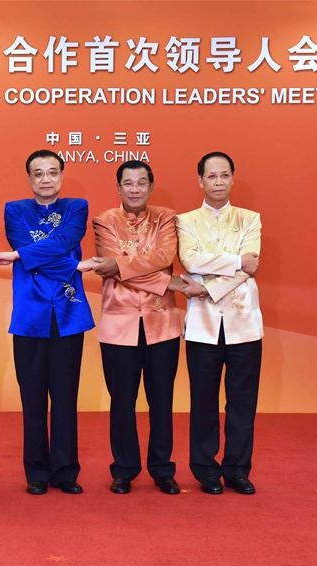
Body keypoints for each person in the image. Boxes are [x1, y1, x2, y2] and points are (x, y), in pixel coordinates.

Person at [0, 149, 95, 495]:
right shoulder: (15, 210)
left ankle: (65, 471)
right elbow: (31, 249)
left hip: (69, 314)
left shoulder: (76, 208)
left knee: (65, 397)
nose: (46, 179)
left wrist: (23, 257)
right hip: (31, 316)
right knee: (33, 397)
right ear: (29, 179)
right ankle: (36, 472)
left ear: (62, 176)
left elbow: (66, 241)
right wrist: (72, 266)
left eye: (53, 172)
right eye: (39, 173)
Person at [91, 160, 192, 495]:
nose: (135, 189)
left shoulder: (166, 217)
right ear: (118, 187)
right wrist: (169, 284)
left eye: (141, 183)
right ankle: (124, 469)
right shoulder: (104, 220)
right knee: (122, 401)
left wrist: (123, 267)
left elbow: (162, 257)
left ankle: (162, 469)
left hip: (161, 324)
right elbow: (109, 266)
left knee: (161, 400)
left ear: (151, 186)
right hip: (119, 325)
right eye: (128, 183)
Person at [177, 151, 263, 495]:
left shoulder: (250, 218)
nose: (218, 182)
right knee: (203, 400)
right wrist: (235, 261)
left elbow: (251, 265)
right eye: (211, 176)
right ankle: (205, 469)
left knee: (242, 401)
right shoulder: (186, 221)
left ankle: (238, 469)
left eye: (224, 175)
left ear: (232, 178)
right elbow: (190, 258)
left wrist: (207, 285)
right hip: (202, 325)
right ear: (200, 181)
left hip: (244, 323)